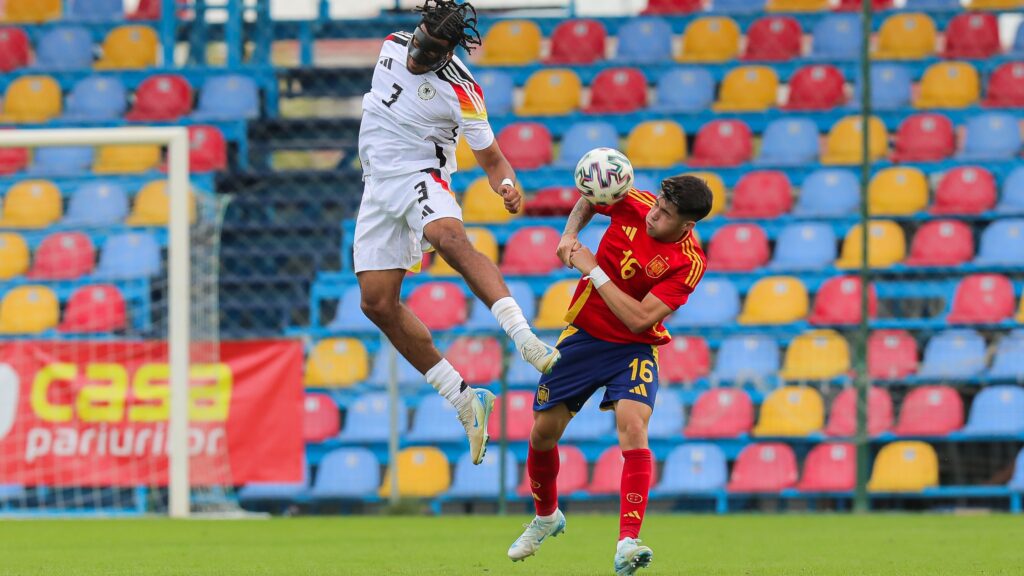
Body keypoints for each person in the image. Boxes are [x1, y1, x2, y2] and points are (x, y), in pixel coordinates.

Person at [355, 0, 560, 466]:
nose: (418, 57)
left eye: (431, 54)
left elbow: (493, 160)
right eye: (420, 43)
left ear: (449, 55)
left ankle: (524, 337)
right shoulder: (392, 45)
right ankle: (464, 398)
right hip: (376, 189)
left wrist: (507, 186)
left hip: (421, 176)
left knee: (449, 239)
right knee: (376, 303)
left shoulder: (462, 90)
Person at [507, 175, 713, 575]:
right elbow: (589, 199)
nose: (654, 215)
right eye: (656, 205)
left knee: (633, 424)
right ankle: (546, 516)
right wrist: (569, 235)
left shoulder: (689, 263)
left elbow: (639, 320)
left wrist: (593, 269)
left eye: (666, 214)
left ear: (687, 226)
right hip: (584, 335)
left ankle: (627, 542)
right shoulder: (634, 201)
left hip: (633, 347)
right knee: (542, 433)